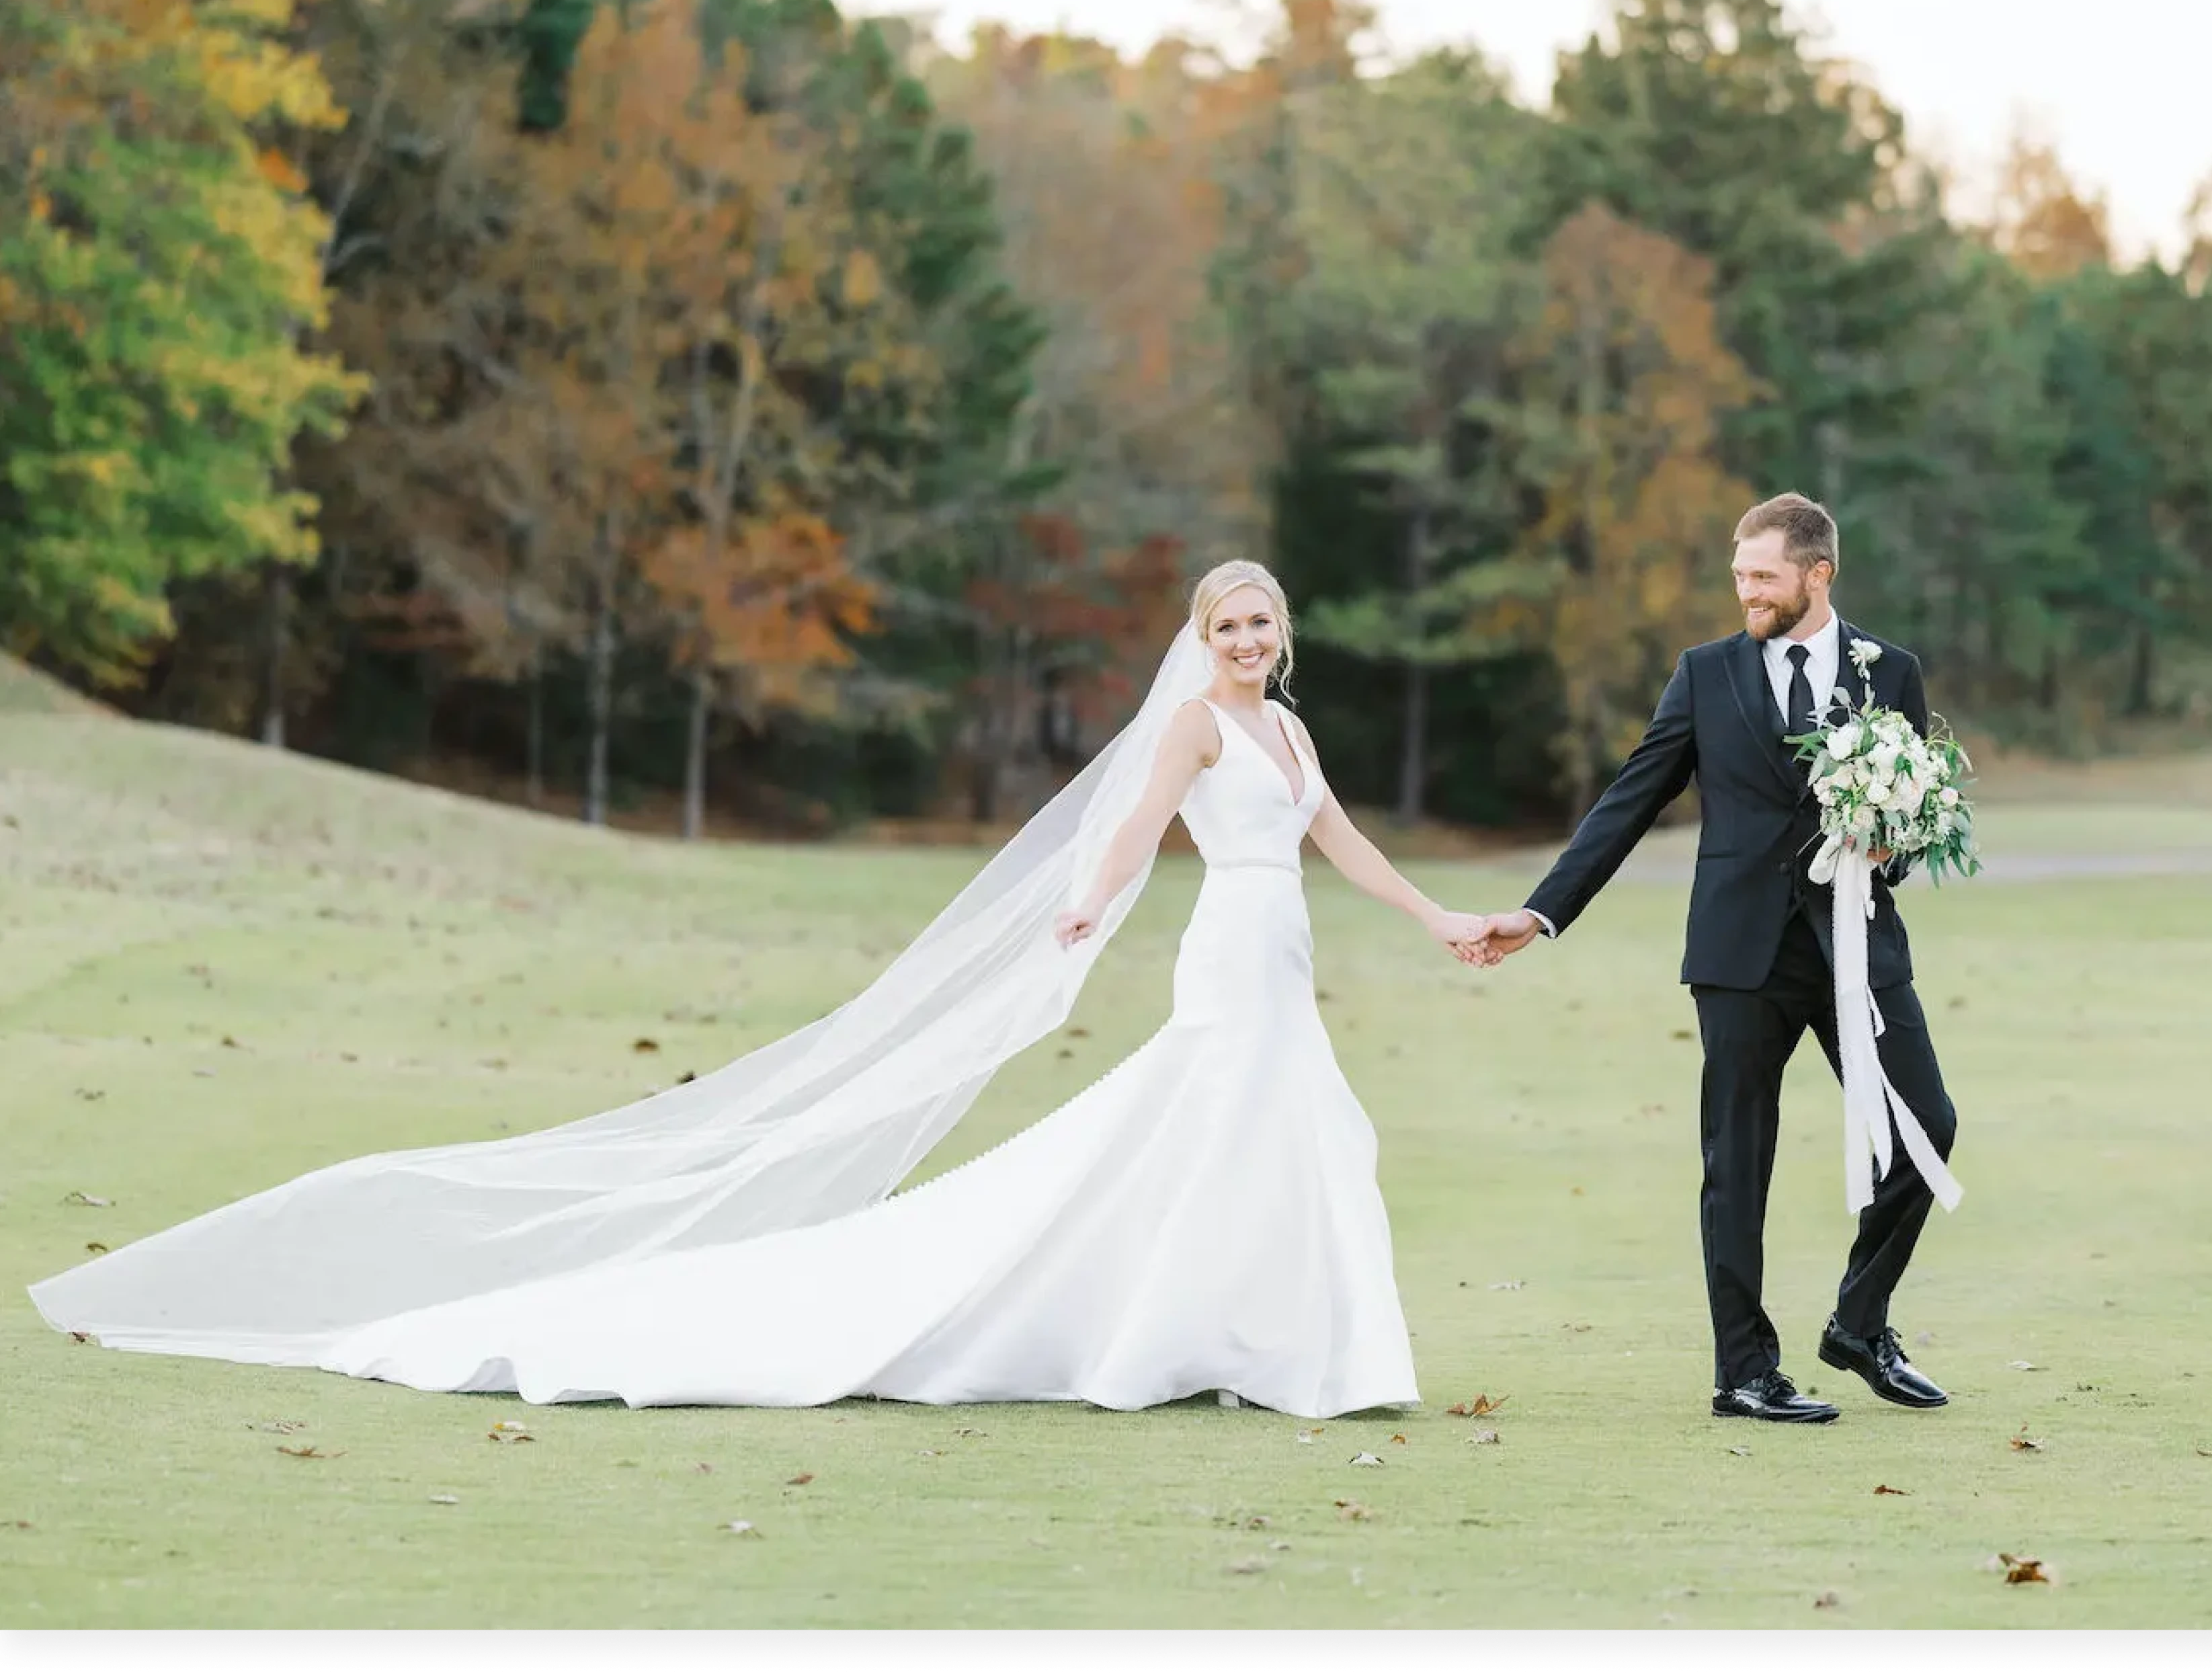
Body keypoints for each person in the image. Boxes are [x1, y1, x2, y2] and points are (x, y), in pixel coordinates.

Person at [30, 561, 1493, 1419]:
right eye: (1226, 627)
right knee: (1214, 1122)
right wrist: (1080, 904)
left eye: (1259, 628)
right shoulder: (1188, 726)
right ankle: (1204, 1341)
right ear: (1203, 637)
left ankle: (1250, 1340)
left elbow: (1339, 841)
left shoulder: (1291, 735)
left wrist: (1437, 915)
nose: (1245, 645)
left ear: (1281, 637)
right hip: (1221, 953)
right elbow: (1121, 832)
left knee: (1276, 1132)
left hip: (1282, 947)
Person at [1472, 494, 1959, 1425]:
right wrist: (1540, 914)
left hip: (1856, 947)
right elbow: (1630, 798)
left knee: (1927, 1125)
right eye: (1740, 576)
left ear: (1818, 575)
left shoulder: (1890, 672)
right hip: (1739, 956)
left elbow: (1911, 809)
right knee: (1737, 1161)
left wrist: (1896, 835)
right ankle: (1744, 1372)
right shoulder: (1704, 675)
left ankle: (1859, 1323)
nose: (1747, 593)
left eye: (1765, 577)